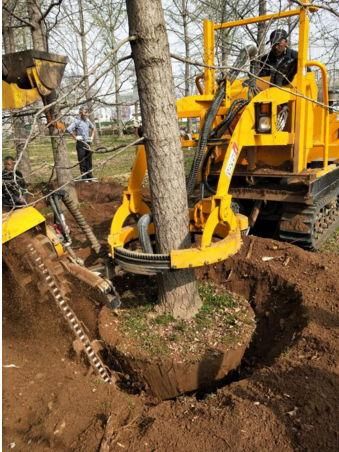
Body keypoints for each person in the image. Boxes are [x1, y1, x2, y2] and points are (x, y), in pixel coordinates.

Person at [67, 106, 95, 181]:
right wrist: (75, 137)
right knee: (82, 161)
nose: (86, 114)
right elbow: (69, 129)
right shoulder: (77, 121)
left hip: (88, 143)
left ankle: (90, 176)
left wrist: (92, 137)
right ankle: (84, 177)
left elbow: (93, 128)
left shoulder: (88, 121)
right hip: (81, 144)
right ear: (80, 113)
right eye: (85, 112)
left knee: (89, 160)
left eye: (87, 113)